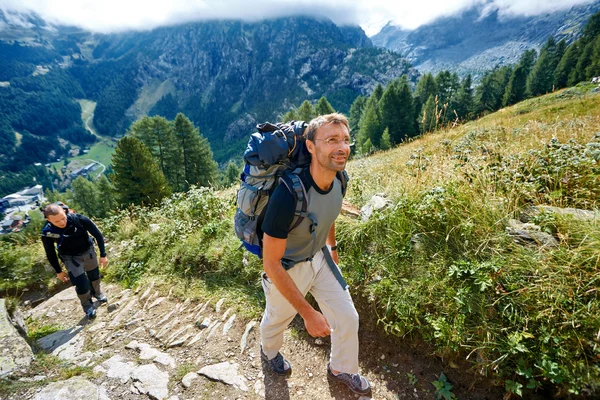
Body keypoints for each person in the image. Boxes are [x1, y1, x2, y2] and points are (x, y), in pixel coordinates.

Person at [259, 113, 371, 395]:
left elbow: (329, 213)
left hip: (319, 258)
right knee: (277, 320)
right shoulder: (288, 194)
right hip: (286, 268)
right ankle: (269, 351)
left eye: (345, 140)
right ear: (311, 146)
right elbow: (270, 263)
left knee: (347, 317)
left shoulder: (340, 178)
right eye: (331, 140)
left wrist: (331, 248)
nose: (342, 147)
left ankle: (342, 368)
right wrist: (308, 313)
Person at [41, 203, 108, 319]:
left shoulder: (79, 219)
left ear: (65, 212)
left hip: (88, 251)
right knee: (81, 284)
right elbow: (50, 253)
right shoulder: (48, 233)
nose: (62, 223)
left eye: (63, 218)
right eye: (57, 222)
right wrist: (59, 271)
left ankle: (97, 293)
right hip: (70, 258)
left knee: (94, 275)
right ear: (48, 220)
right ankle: (88, 307)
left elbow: (98, 235)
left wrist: (103, 255)